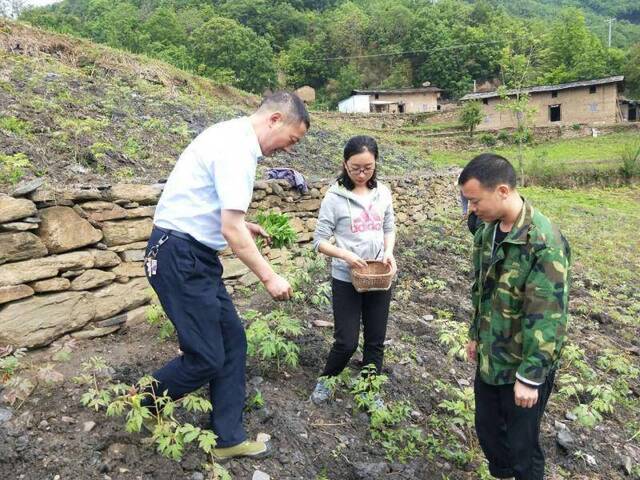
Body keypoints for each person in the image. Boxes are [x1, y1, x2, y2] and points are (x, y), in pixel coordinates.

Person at [142, 92, 309, 460]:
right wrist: (270, 277)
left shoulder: (228, 135)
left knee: (232, 341)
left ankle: (227, 439)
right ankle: (142, 404)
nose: (288, 150)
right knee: (205, 357)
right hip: (180, 257)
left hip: (192, 256)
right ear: (275, 119)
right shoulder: (238, 150)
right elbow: (231, 231)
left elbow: (205, 203)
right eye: (292, 139)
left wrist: (243, 224)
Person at [458, 153, 571, 480]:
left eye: (475, 201)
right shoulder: (487, 231)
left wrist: (530, 376)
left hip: (522, 364)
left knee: (522, 446)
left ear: (503, 191)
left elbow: (548, 314)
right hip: (491, 355)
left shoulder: (543, 241)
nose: (471, 210)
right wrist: (475, 334)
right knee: (489, 433)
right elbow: (482, 288)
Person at [310, 135, 396, 404]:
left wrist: (389, 252)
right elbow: (319, 241)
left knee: (375, 340)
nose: (361, 173)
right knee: (346, 341)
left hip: (379, 276)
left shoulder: (383, 192)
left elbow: (389, 227)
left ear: (376, 164)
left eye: (368, 168)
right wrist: (345, 255)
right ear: (345, 164)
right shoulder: (334, 197)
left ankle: (371, 390)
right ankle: (327, 380)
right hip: (346, 278)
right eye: (355, 167)